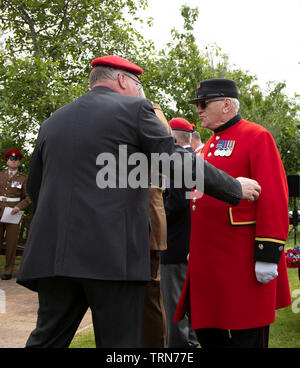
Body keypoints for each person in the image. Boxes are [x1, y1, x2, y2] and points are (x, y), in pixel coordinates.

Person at [17, 57, 261, 348]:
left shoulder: (53, 121)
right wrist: (233, 186)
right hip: (110, 257)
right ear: (123, 80)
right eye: (138, 84)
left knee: (47, 340)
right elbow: (175, 160)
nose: (140, 91)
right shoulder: (134, 109)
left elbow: (35, 186)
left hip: (54, 255)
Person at [174, 78, 291, 348]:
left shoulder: (257, 136)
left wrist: (268, 253)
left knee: (247, 336)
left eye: (204, 104)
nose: (198, 110)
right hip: (209, 263)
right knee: (208, 333)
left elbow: (273, 197)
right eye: (197, 104)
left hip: (242, 261)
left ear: (227, 104)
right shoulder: (207, 148)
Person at [160, 117, 199, 348]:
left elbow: (175, 203)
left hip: (174, 244)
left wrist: (153, 219)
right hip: (191, 243)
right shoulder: (195, 158)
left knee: (174, 308)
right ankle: (190, 345)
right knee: (190, 305)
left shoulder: (177, 160)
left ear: (173, 138)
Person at [141, 103, 169, 348]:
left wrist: (145, 104)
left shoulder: (149, 110)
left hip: (146, 222)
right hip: (111, 224)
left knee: (148, 295)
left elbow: (163, 136)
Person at [0, 149, 31, 280]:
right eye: (11, 159)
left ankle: (8, 270)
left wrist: (19, 207)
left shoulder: (23, 178)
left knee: (11, 243)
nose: (13, 162)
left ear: (19, 163)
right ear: (7, 161)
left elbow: (29, 197)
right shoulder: (1, 175)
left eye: (16, 160)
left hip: (13, 213)